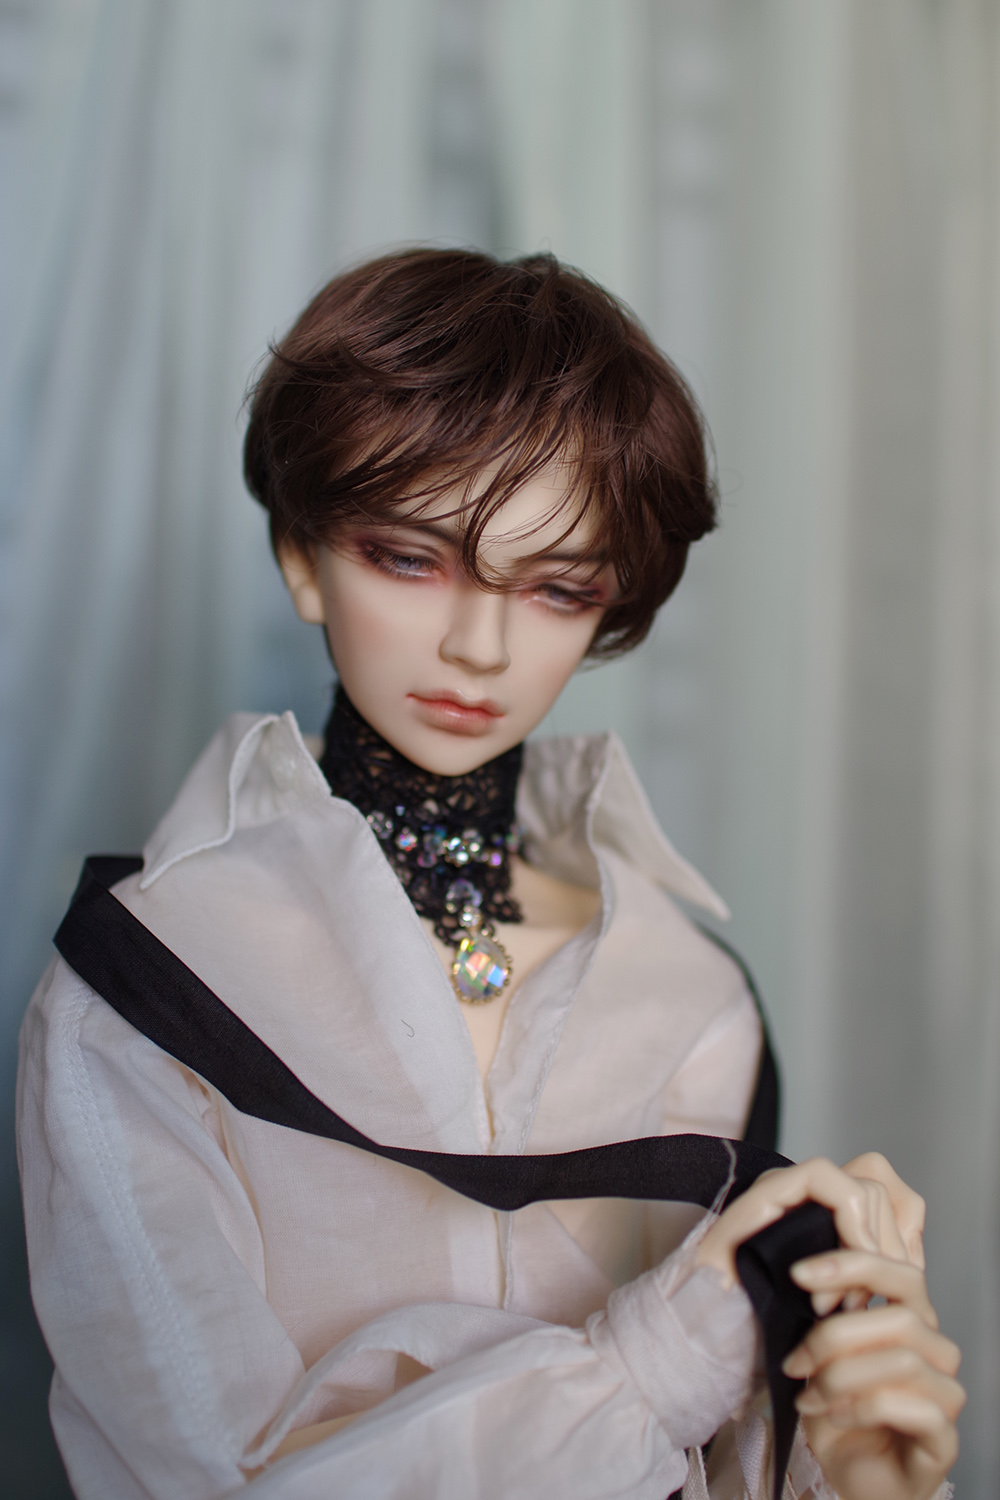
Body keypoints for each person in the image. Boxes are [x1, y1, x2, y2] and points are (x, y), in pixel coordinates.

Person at [17, 249, 963, 1500]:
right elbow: (197, 1480)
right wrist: (661, 1358)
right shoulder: (147, 981)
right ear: (301, 555)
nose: (479, 644)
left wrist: (839, 1472)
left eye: (557, 587)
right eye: (410, 558)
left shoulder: (691, 997)